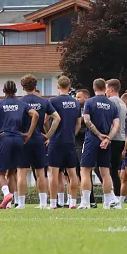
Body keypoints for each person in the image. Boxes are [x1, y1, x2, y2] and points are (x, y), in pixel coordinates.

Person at [0, 80, 37, 209]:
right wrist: (29, 133)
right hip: (19, 138)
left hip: (4, 138)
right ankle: (9, 203)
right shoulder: (22, 104)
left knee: (0, 173)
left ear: (3, 90)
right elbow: (35, 114)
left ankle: (7, 194)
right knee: (13, 173)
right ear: (16, 91)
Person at [80, 78, 120, 210]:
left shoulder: (89, 102)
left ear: (94, 88)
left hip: (92, 139)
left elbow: (86, 120)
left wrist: (98, 135)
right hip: (106, 141)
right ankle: (107, 203)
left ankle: (85, 202)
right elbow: (116, 126)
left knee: (85, 170)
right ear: (105, 88)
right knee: (105, 172)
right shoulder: (112, 104)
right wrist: (108, 138)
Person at [45, 76, 82, 209]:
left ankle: (54, 203)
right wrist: (73, 133)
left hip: (56, 141)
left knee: (54, 174)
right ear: (69, 86)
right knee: (72, 174)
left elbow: (45, 120)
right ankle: (72, 202)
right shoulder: (76, 103)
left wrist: (48, 134)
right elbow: (79, 123)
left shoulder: (52, 101)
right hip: (70, 141)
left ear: (57, 86)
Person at [18, 75, 52, 208]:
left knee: (21, 172)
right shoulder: (44, 102)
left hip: (23, 139)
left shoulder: (19, 102)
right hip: (38, 139)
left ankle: (21, 204)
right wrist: (48, 135)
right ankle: (43, 203)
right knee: (40, 172)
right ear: (35, 86)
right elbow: (57, 118)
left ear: (23, 87)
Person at [105, 78, 127, 203]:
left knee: (102, 168)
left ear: (111, 89)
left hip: (112, 138)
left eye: (106, 89)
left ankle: (111, 194)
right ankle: (117, 197)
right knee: (114, 170)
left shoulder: (110, 102)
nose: (105, 92)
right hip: (121, 138)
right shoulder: (122, 102)